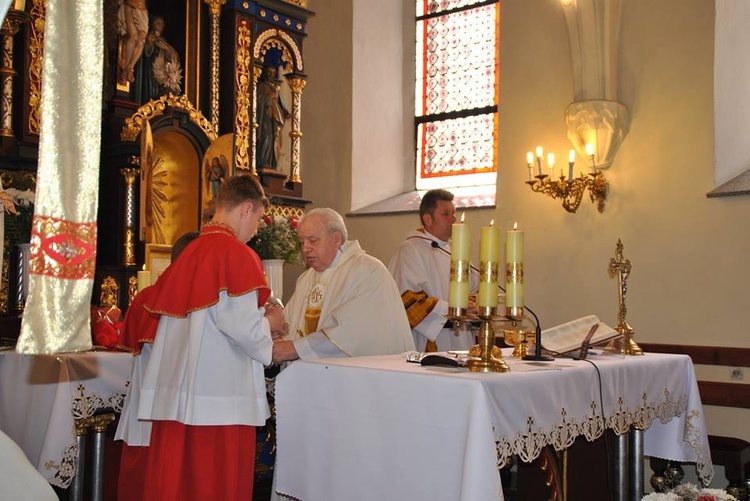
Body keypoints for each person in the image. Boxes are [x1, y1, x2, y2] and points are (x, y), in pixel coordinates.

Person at [114, 175, 286, 501]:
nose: (257, 228)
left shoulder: (188, 254)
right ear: (246, 209)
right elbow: (246, 332)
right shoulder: (236, 254)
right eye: (260, 218)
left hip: (178, 402)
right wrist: (270, 320)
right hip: (220, 401)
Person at [115, 230, 199, 501]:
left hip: (143, 410)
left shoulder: (145, 297)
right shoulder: (196, 301)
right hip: (176, 416)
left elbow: (128, 345)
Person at [272, 208, 415, 363]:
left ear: (336, 239)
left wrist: (297, 348)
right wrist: (274, 330)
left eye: (312, 240)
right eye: (302, 241)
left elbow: (353, 332)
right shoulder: (306, 279)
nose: (305, 248)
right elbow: (289, 326)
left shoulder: (368, 271)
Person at [388, 189, 479, 352]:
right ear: (428, 219)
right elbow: (407, 300)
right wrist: (452, 309)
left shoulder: (456, 250)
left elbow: (473, 289)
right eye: (445, 214)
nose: (453, 219)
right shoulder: (410, 250)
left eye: (453, 213)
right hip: (429, 340)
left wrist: (474, 306)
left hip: (462, 339)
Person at [139, 15, 182, 101]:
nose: (160, 25)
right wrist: (151, 44)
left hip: (163, 72)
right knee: (151, 90)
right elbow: (146, 53)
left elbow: (173, 55)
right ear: (153, 24)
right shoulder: (149, 37)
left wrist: (167, 50)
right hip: (151, 70)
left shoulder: (163, 41)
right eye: (157, 23)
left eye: (162, 23)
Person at [256, 65, 290, 171]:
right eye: (269, 72)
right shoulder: (262, 86)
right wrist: (267, 99)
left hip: (272, 118)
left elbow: (280, 102)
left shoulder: (275, 87)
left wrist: (286, 111)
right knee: (266, 137)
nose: (271, 75)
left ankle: (269, 162)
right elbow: (257, 100)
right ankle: (262, 161)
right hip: (264, 117)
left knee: (272, 139)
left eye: (273, 73)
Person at [117, 0, 148, 85]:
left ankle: (130, 66)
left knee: (142, 40)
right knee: (134, 37)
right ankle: (127, 68)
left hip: (142, 7)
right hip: (130, 4)